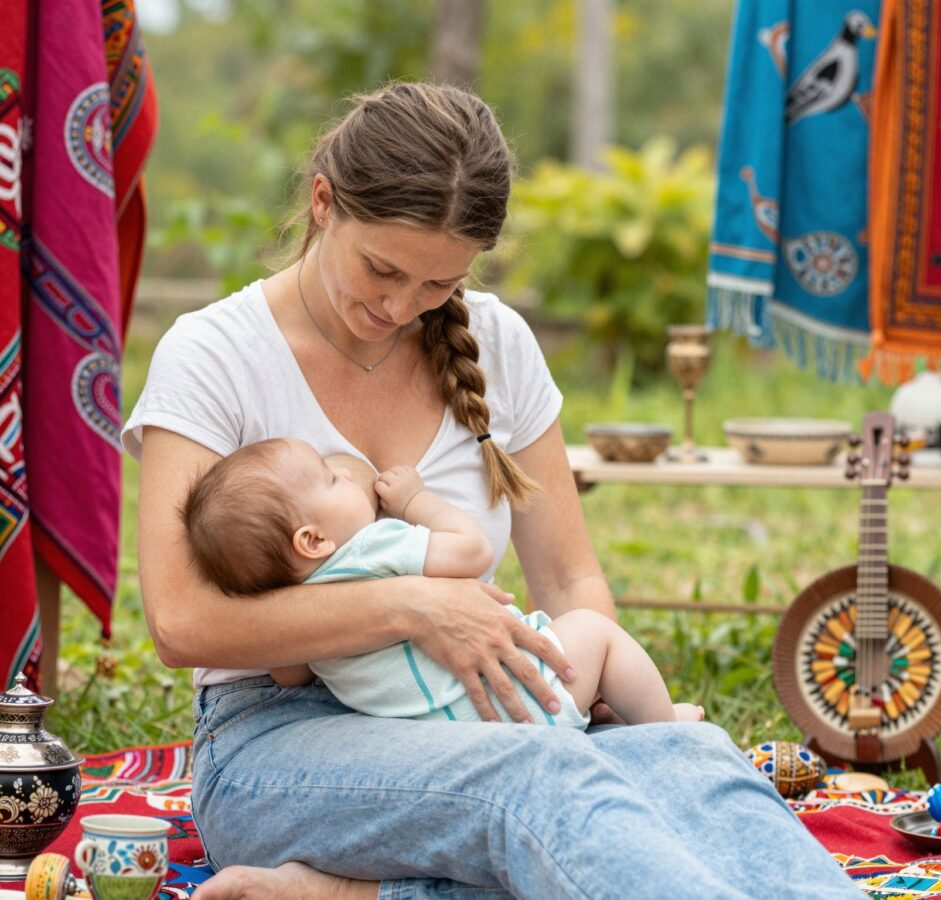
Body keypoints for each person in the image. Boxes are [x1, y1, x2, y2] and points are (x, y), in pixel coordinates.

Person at [123, 80, 864, 899]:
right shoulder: (214, 354)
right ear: (324, 203)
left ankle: (358, 894)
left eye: (437, 285)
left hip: (484, 715)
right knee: (540, 784)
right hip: (281, 745)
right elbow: (182, 622)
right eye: (382, 269)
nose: (400, 306)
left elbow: (571, 582)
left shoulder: (499, 342)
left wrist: (579, 700)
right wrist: (415, 606)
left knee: (689, 759)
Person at [180, 436, 703, 726]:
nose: (348, 475)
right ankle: (664, 725)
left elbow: (290, 677)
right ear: (313, 541)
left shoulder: (298, 611)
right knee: (596, 632)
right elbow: (471, 550)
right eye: (332, 478)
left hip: (433, 734)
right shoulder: (374, 547)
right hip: (516, 702)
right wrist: (414, 502)